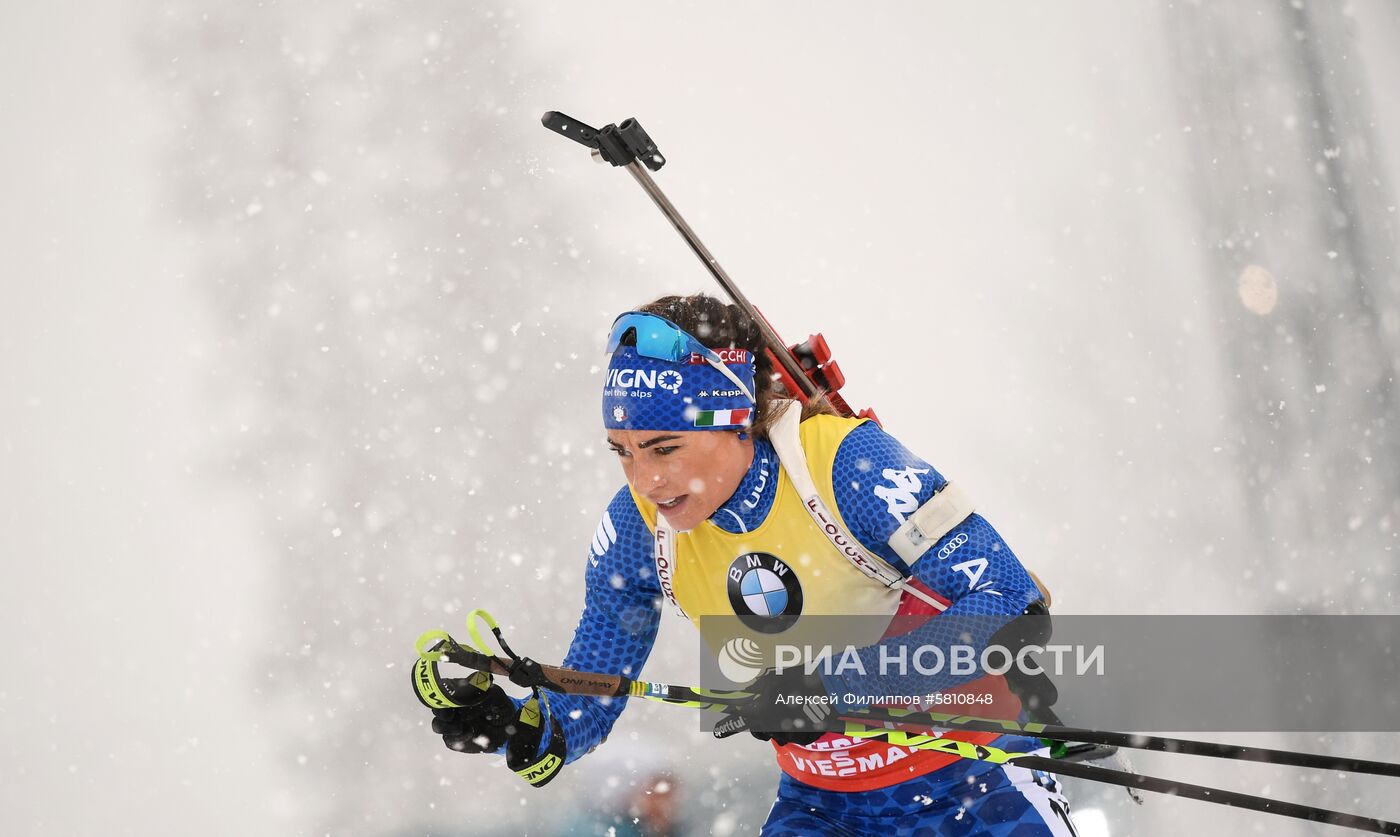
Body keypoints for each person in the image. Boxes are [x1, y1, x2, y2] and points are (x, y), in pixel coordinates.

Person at [427, 294, 1080, 835]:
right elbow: (600, 676)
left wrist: (831, 688)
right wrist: (523, 725)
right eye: (622, 451)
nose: (646, 478)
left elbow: (1006, 599)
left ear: (735, 419)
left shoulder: (844, 465)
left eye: (664, 447)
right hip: (826, 806)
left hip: (972, 780)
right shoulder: (638, 528)